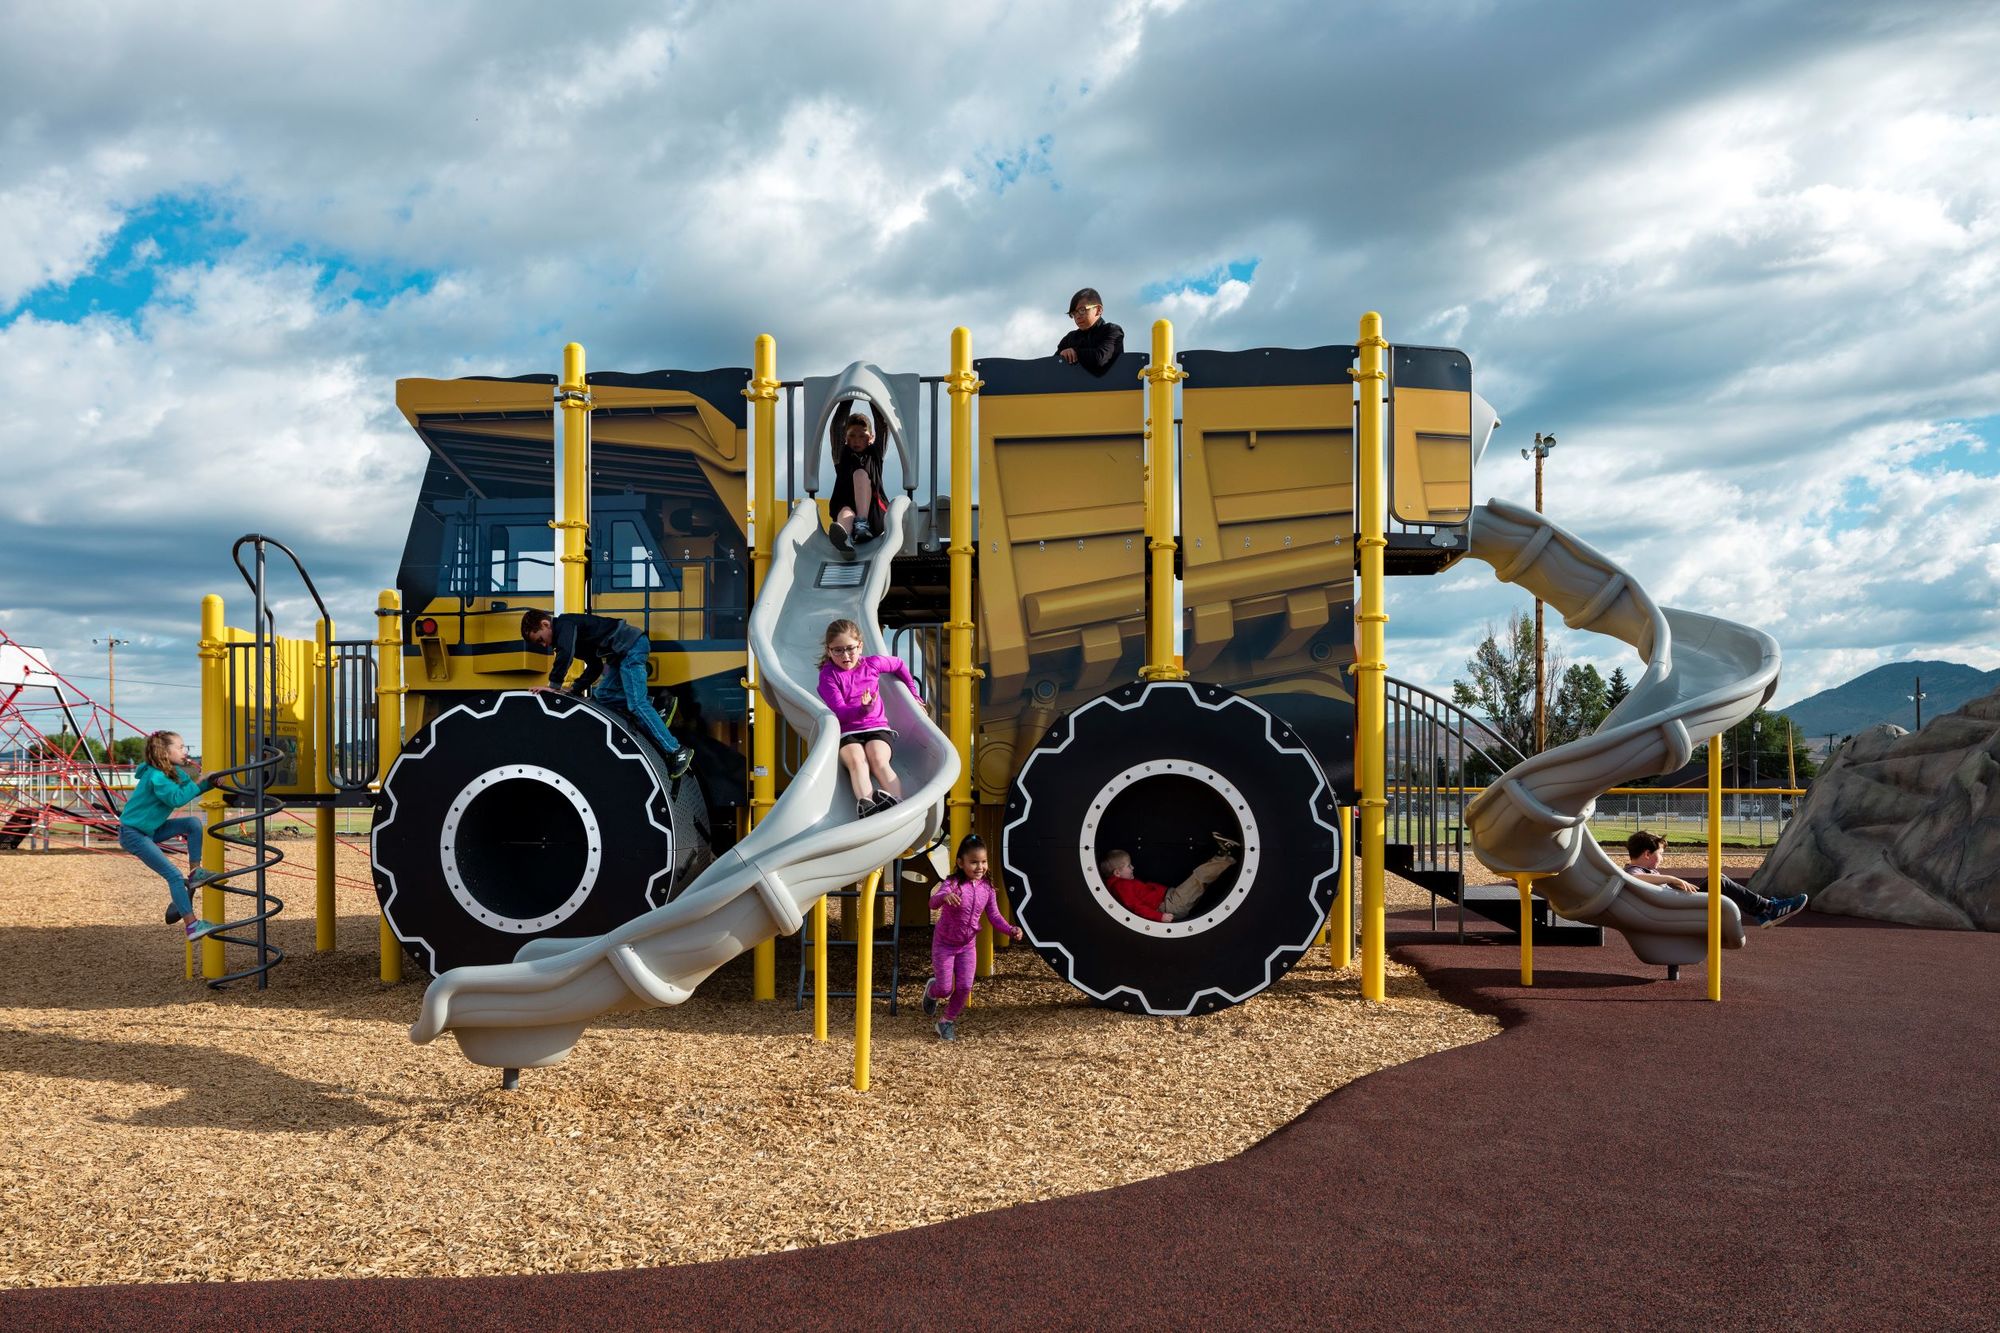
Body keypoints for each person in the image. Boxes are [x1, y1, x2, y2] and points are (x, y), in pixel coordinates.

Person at [520, 608, 693, 779]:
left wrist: (554, 685)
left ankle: (677, 750)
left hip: (631, 647)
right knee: (602, 695)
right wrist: (575, 689)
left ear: (545, 624)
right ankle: (657, 706)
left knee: (637, 704)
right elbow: (595, 666)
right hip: (621, 655)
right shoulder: (574, 635)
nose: (545, 645)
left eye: (541, 640)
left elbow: (566, 654)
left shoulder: (565, 624)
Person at [815, 618, 927, 818]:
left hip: (876, 728)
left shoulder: (872, 664)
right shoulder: (828, 676)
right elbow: (840, 710)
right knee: (857, 760)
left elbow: (899, 664)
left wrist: (914, 694)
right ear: (829, 650)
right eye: (837, 650)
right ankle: (867, 805)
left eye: (850, 648)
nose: (845, 655)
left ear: (860, 646)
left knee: (877, 757)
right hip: (847, 731)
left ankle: (897, 802)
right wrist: (863, 709)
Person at [118, 730, 222, 942]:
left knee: (193, 823)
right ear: (165, 752)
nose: (185, 751)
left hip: (150, 828)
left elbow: (188, 788)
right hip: (133, 833)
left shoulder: (173, 772)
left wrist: (208, 782)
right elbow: (176, 798)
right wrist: (200, 782)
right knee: (173, 875)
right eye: (180, 747)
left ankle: (195, 872)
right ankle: (192, 925)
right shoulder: (156, 776)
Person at [923, 834, 1021, 1040]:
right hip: (945, 945)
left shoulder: (987, 888)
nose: (980, 867)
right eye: (974, 862)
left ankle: (946, 1022)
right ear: (961, 863)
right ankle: (933, 990)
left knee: (966, 986)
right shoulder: (953, 883)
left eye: (983, 862)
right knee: (945, 988)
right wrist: (944, 896)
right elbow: (932, 903)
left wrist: (1010, 929)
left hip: (967, 945)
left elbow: (994, 916)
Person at [1623, 830, 1807, 927]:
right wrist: (1671, 878)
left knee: (1717, 878)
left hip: (1675, 904)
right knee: (1719, 881)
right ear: (1647, 854)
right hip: (1675, 910)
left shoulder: (1645, 871)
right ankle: (1767, 908)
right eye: (1660, 853)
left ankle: (1764, 909)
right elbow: (1633, 879)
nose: (1662, 858)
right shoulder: (1634, 870)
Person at [1100, 835, 1240, 923]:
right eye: (1129, 866)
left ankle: (1224, 856)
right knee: (1199, 878)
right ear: (1117, 873)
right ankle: (1225, 854)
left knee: (1201, 882)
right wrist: (1159, 917)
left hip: (1170, 899)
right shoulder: (1122, 886)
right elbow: (1136, 907)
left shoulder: (1121, 884)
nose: (1133, 868)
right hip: (1171, 905)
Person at [827, 402, 889, 554]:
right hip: (847, 506)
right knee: (845, 511)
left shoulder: (875, 454)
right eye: (852, 435)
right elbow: (837, 426)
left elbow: (883, 425)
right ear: (845, 438)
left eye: (862, 436)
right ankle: (845, 541)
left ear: (871, 438)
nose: (856, 440)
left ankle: (862, 524)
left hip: (874, 513)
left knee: (860, 474)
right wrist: (846, 399)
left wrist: (873, 398)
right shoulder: (841, 454)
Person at [1055, 287, 1125, 377]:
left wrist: (1075, 352)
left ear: (1099, 310)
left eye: (1082, 310)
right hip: (1074, 389)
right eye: (1074, 313)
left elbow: (1100, 358)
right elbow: (1052, 367)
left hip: (1111, 389)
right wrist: (1062, 355)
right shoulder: (1070, 338)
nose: (1077, 317)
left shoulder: (1112, 331)